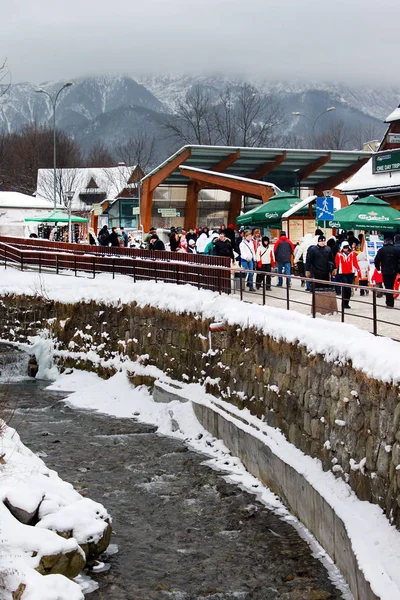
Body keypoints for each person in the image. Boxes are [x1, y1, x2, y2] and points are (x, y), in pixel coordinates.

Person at [374, 238, 400, 308]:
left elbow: (376, 260)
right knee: (391, 285)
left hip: (385, 271)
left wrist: (378, 268)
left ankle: (389, 303)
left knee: (388, 287)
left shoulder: (381, 250)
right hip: (394, 271)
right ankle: (390, 301)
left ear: (385, 243)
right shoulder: (396, 250)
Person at [335, 241, 361, 309]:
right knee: (345, 288)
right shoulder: (338, 254)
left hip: (350, 273)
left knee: (349, 289)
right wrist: (335, 271)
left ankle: (346, 303)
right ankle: (344, 303)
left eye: (346, 247)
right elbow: (336, 263)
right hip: (342, 273)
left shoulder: (352, 254)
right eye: (344, 247)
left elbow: (355, 262)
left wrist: (358, 270)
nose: (345, 249)